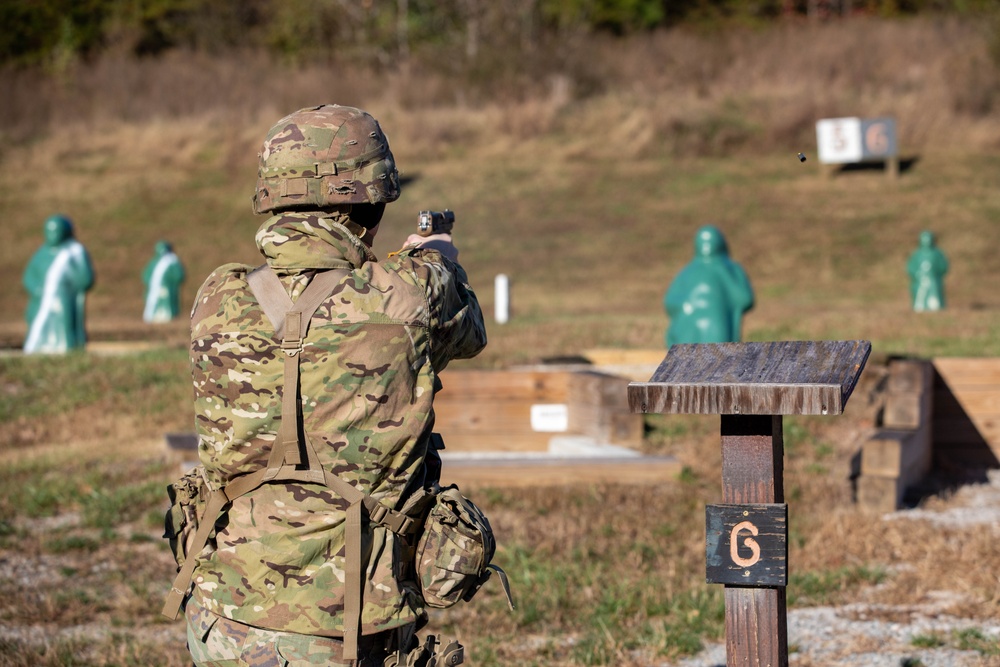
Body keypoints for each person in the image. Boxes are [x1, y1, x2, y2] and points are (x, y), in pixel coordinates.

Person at [180, 104, 487, 667]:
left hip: (221, 612)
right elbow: (468, 332)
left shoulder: (216, 297)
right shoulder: (410, 294)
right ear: (370, 200)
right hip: (346, 628)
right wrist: (442, 260)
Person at [664, 225, 754, 348]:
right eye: (703, 241)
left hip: (717, 324)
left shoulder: (731, 269)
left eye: (711, 241)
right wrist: (685, 307)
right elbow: (670, 301)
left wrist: (723, 272)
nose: (707, 245)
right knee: (686, 361)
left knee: (717, 359)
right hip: (689, 324)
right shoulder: (688, 271)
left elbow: (745, 299)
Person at [22, 214, 95, 354]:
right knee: (38, 323)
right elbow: (29, 275)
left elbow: (85, 278)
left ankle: (67, 347)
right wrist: (36, 288)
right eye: (49, 231)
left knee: (64, 325)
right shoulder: (41, 253)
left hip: (64, 300)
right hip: (41, 300)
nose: (53, 235)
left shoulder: (74, 253)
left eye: (56, 231)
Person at [142, 240, 186, 322]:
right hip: (157, 291)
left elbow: (178, 276)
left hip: (165, 290)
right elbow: (146, 276)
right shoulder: (157, 262)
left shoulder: (171, 261)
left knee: (167, 307)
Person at [907, 230, 948, 312]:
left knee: (934, 293)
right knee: (920, 294)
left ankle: (935, 307)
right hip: (920, 280)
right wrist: (916, 274)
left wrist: (936, 274)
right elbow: (910, 267)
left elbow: (943, 266)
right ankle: (919, 307)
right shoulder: (917, 254)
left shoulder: (937, 253)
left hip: (933, 280)